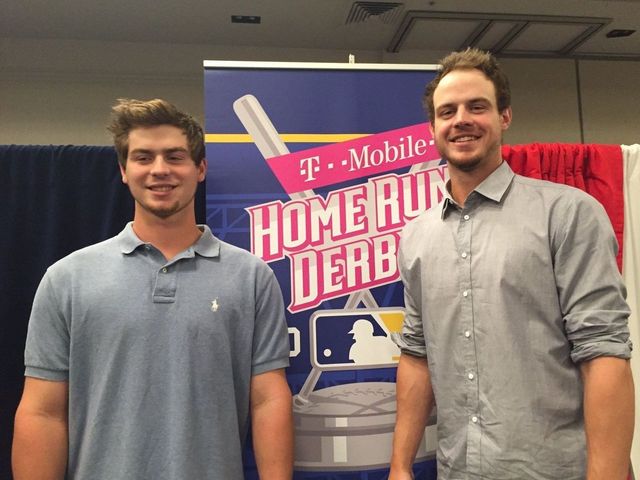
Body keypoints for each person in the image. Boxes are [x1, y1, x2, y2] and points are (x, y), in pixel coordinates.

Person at [12, 98, 294, 479]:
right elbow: (42, 412)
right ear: (124, 171)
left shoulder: (251, 276)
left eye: (174, 157)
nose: (160, 170)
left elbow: (267, 400)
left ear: (201, 169)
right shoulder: (67, 278)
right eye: (143, 158)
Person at [389, 49, 634, 480]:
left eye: (477, 106)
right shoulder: (417, 236)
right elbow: (416, 354)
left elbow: (604, 352)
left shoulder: (567, 213)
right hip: (457, 470)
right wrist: (400, 465)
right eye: (448, 111)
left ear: (505, 117)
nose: (461, 119)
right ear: (433, 128)